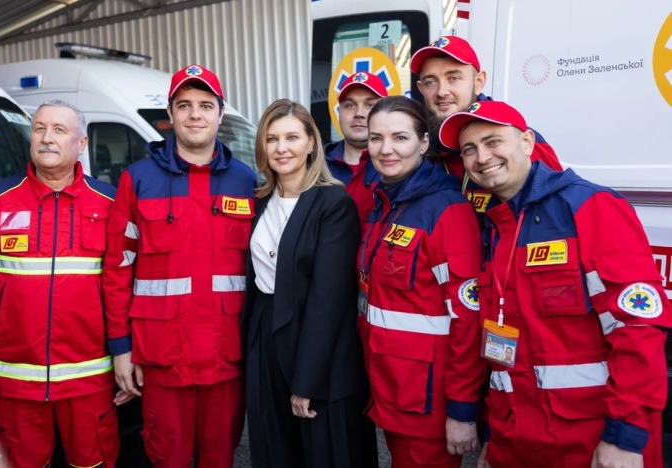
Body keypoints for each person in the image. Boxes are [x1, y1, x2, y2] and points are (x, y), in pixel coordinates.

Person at [439, 100, 672, 468]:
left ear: (527, 142)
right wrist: (495, 438)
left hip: (590, 439)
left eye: (493, 141)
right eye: (470, 149)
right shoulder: (493, 225)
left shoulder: (590, 206)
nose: (482, 157)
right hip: (517, 437)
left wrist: (624, 437)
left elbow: (637, 327)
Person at [102, 64, 257, 468]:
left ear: (220, 114)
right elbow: (118, 269)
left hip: (227, 357)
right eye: (184, 105)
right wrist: (121, 349)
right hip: (162, 358)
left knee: (219, 459)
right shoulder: (136, 180)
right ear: (170, 115)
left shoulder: (248, 182)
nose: (195, 115)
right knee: (166, 458)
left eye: (206, 105)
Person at [0, 100, 120, 468]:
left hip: (89, 382)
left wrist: (126, 358)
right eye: (39, 128)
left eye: (59, 130)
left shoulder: (111, 204)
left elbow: (127, 290)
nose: (47, 138)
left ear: (82, 144)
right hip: (15, 383)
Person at [242, 98, 376, 468]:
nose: (281, 148)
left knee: (323, 451)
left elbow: (327, 301)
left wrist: (307, 381)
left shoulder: (333, 204)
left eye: (291, 137)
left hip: (315, 344)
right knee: (273, 445)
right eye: (271, 139)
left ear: (311, 143)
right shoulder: (260, 200)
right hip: (264, 334)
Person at [359, 95, 485, 467]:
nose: (386, 150)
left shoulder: (448, 211)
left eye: (400, 138)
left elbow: (468, 319)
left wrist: (462, 411)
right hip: (390, 387)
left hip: (427, 402)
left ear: (423, 143)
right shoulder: (383, 202)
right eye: (376, 138)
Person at [410, 35, 562, 201]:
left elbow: (556, 213)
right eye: (430, 82)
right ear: (421, 88)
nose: (442, 91)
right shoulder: (419, 148)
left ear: (479, 82)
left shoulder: (517, 140)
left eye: (453, 78)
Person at [325, 71, 388, 222]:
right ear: (339, 112)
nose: (359, 113)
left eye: (370, 105)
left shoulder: (398, 165)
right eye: (350, 105)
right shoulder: (317, 166)